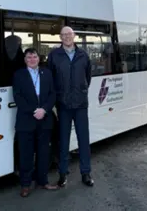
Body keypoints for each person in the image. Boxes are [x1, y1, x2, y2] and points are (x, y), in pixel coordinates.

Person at [47, 26, 94, 187]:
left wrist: (81, 91)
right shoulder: (54, 55)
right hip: (63, 105)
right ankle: (62, 174)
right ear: (60, 37)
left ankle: (86, 173)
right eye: (63, 35)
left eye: (69, 34)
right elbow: (50, 79)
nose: (66, 37)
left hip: (81, 104)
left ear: (74, 36)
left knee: (83, 139)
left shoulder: (83, 55)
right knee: (63, 141)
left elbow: (88, 77)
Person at [12, 48, 59, 197]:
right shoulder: (18, 75)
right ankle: (26, 185)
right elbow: (18, 97)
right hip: (26, 121)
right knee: (26, 154)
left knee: (44, 153)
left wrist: (44, 110)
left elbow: (53, 94)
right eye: (29, 57)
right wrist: (34, 111)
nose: (32, 59)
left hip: (44, 120)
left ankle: (43, 181)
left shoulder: (47, 73)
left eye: (34, 56)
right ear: (25, 60)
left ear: (39, 59)